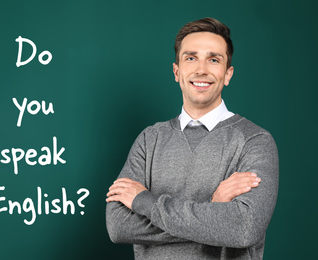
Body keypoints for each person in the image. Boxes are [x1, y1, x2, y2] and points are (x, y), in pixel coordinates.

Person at [106, 17, 279, 260]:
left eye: (214, 59)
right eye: (190, 58)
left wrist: (143, 201)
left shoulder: (255, 140)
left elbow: (244, 228)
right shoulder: (149, 139)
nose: (201, 69)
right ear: (177, 71)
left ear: (227, 74)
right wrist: (214, 208)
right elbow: (118, 226)